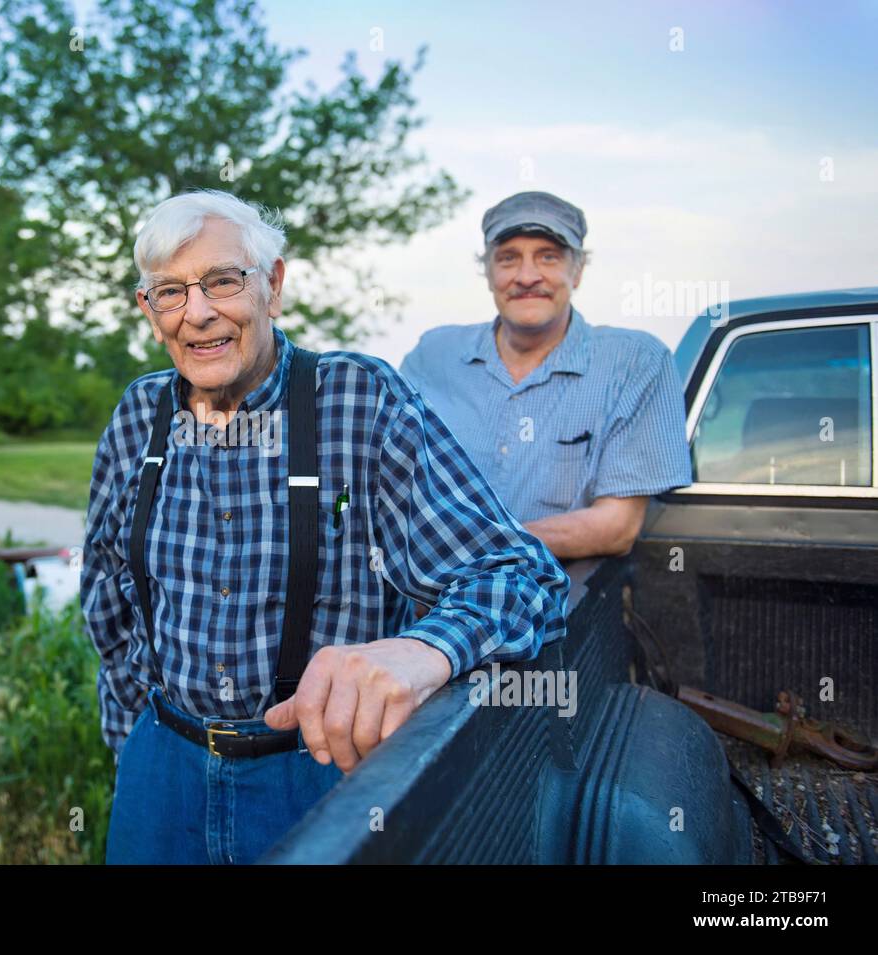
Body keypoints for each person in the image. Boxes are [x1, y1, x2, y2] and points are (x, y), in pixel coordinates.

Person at [82, 189, 569, 865]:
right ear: (149, 309)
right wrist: (134, 747)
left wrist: (424, 650)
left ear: (273, 285)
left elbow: (522, 576)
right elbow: (108, 596)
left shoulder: (357, 398)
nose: (197, 313)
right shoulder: (138, 413)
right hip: (161, 772)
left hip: (317, 768)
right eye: (170, 292)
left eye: (223, 281)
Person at [400, 191, 692, 561]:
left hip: (559, 608)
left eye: (548, 256)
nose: (526, 276)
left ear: (579, 270)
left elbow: (617, 527)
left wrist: (470, 548)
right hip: (427, 603)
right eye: (508, 258)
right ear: (488, 272)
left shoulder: (635, 362)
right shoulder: (433, 355)